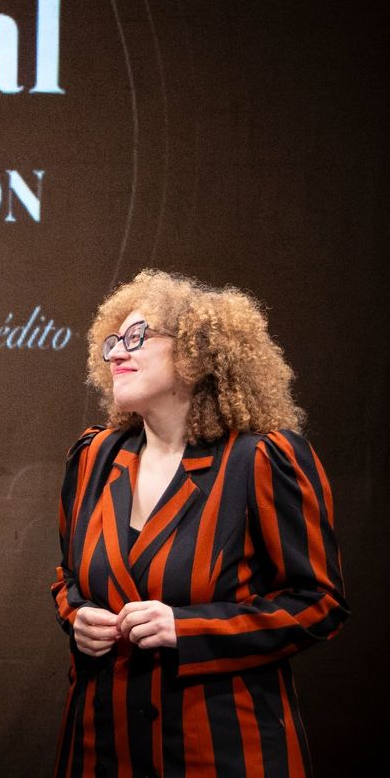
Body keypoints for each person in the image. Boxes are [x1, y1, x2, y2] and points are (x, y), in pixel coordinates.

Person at [53, 270, 348, 776]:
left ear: (196, 352)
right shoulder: (94, 456)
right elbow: (69, 581)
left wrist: (186, 629)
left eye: (137, 338)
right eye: (113, 342)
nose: (117, 353)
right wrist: (76, 618)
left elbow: (319, 602)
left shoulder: (261, 460)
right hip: (102, 747)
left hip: (221, 751)